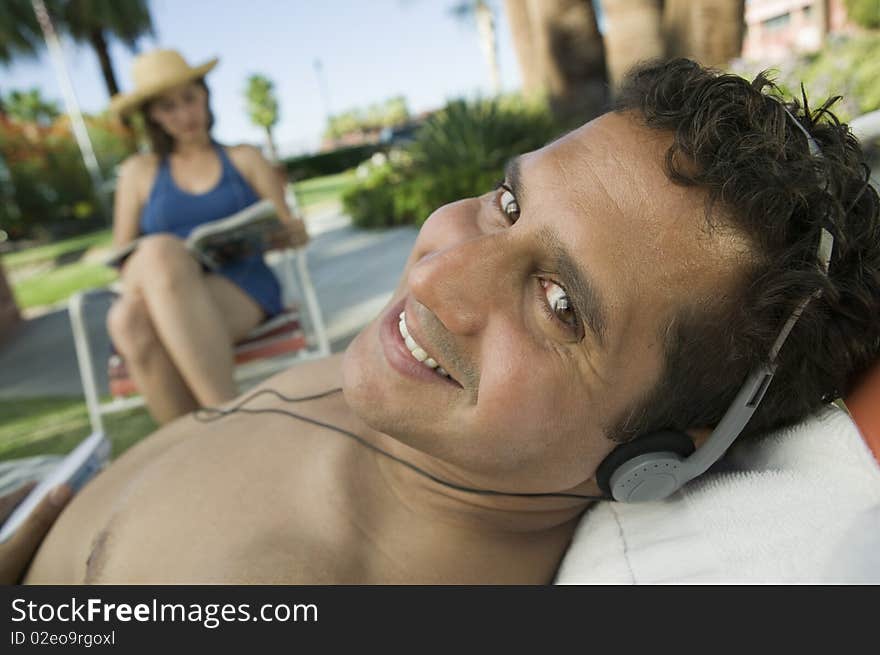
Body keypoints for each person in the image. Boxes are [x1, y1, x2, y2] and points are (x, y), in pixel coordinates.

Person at [12, 59, 880, 584]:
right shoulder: (421, 421)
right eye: (508, 202)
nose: (437, 273)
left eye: (559, 304)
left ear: (654, 459)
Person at [106, 49, 308, 424]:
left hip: (240, 286)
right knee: (149, 275)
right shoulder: (139, 172)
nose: (184, 115)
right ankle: (218, 429)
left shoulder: (245, 158)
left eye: (190, 99)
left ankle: (213, 433)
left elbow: (291, 233)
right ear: (154, 116)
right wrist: (165, 257)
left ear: (205, 95)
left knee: (130, 320)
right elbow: (121, 259)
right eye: (169, 107)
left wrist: (293, 231)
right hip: (159, 282)